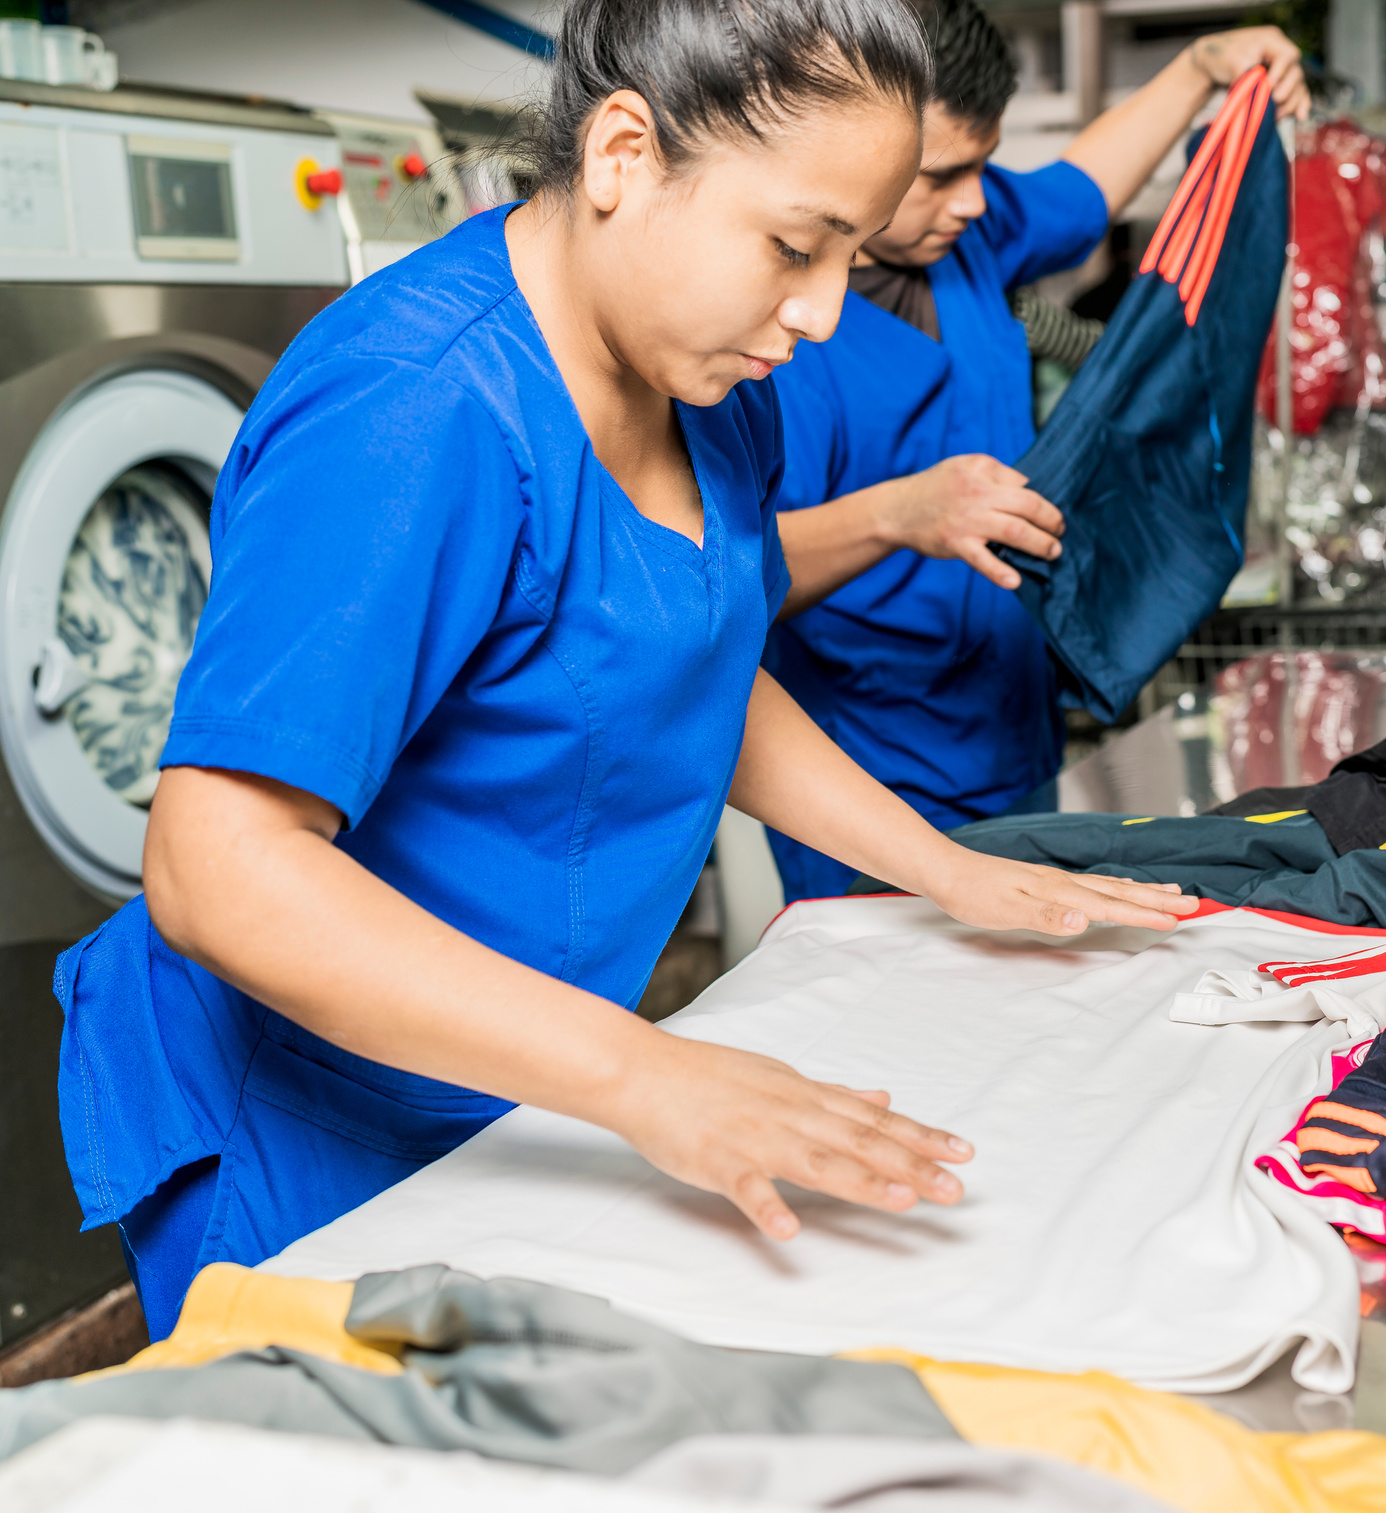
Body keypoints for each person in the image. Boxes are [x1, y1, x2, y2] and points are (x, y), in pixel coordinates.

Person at [53, 0, 1197, 1342]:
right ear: (621, 156)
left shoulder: (716, 388)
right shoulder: (416, 409)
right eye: (791, 246)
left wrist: (943, 868)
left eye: (847, 255)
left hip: (524, 1090)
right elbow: (217, 867)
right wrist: (645, 1074)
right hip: (312, 1117)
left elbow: (702, 662)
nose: (822, 314)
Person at [760, 0, 1311, 902]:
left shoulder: (967, 237)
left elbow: (1086, 183)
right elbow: (726, 576)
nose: (973, 198)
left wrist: (1206, 64)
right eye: (940, 174)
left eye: (982, 163)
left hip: (1019, 741)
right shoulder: (775, 345)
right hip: (874, 792)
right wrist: (899, 512)